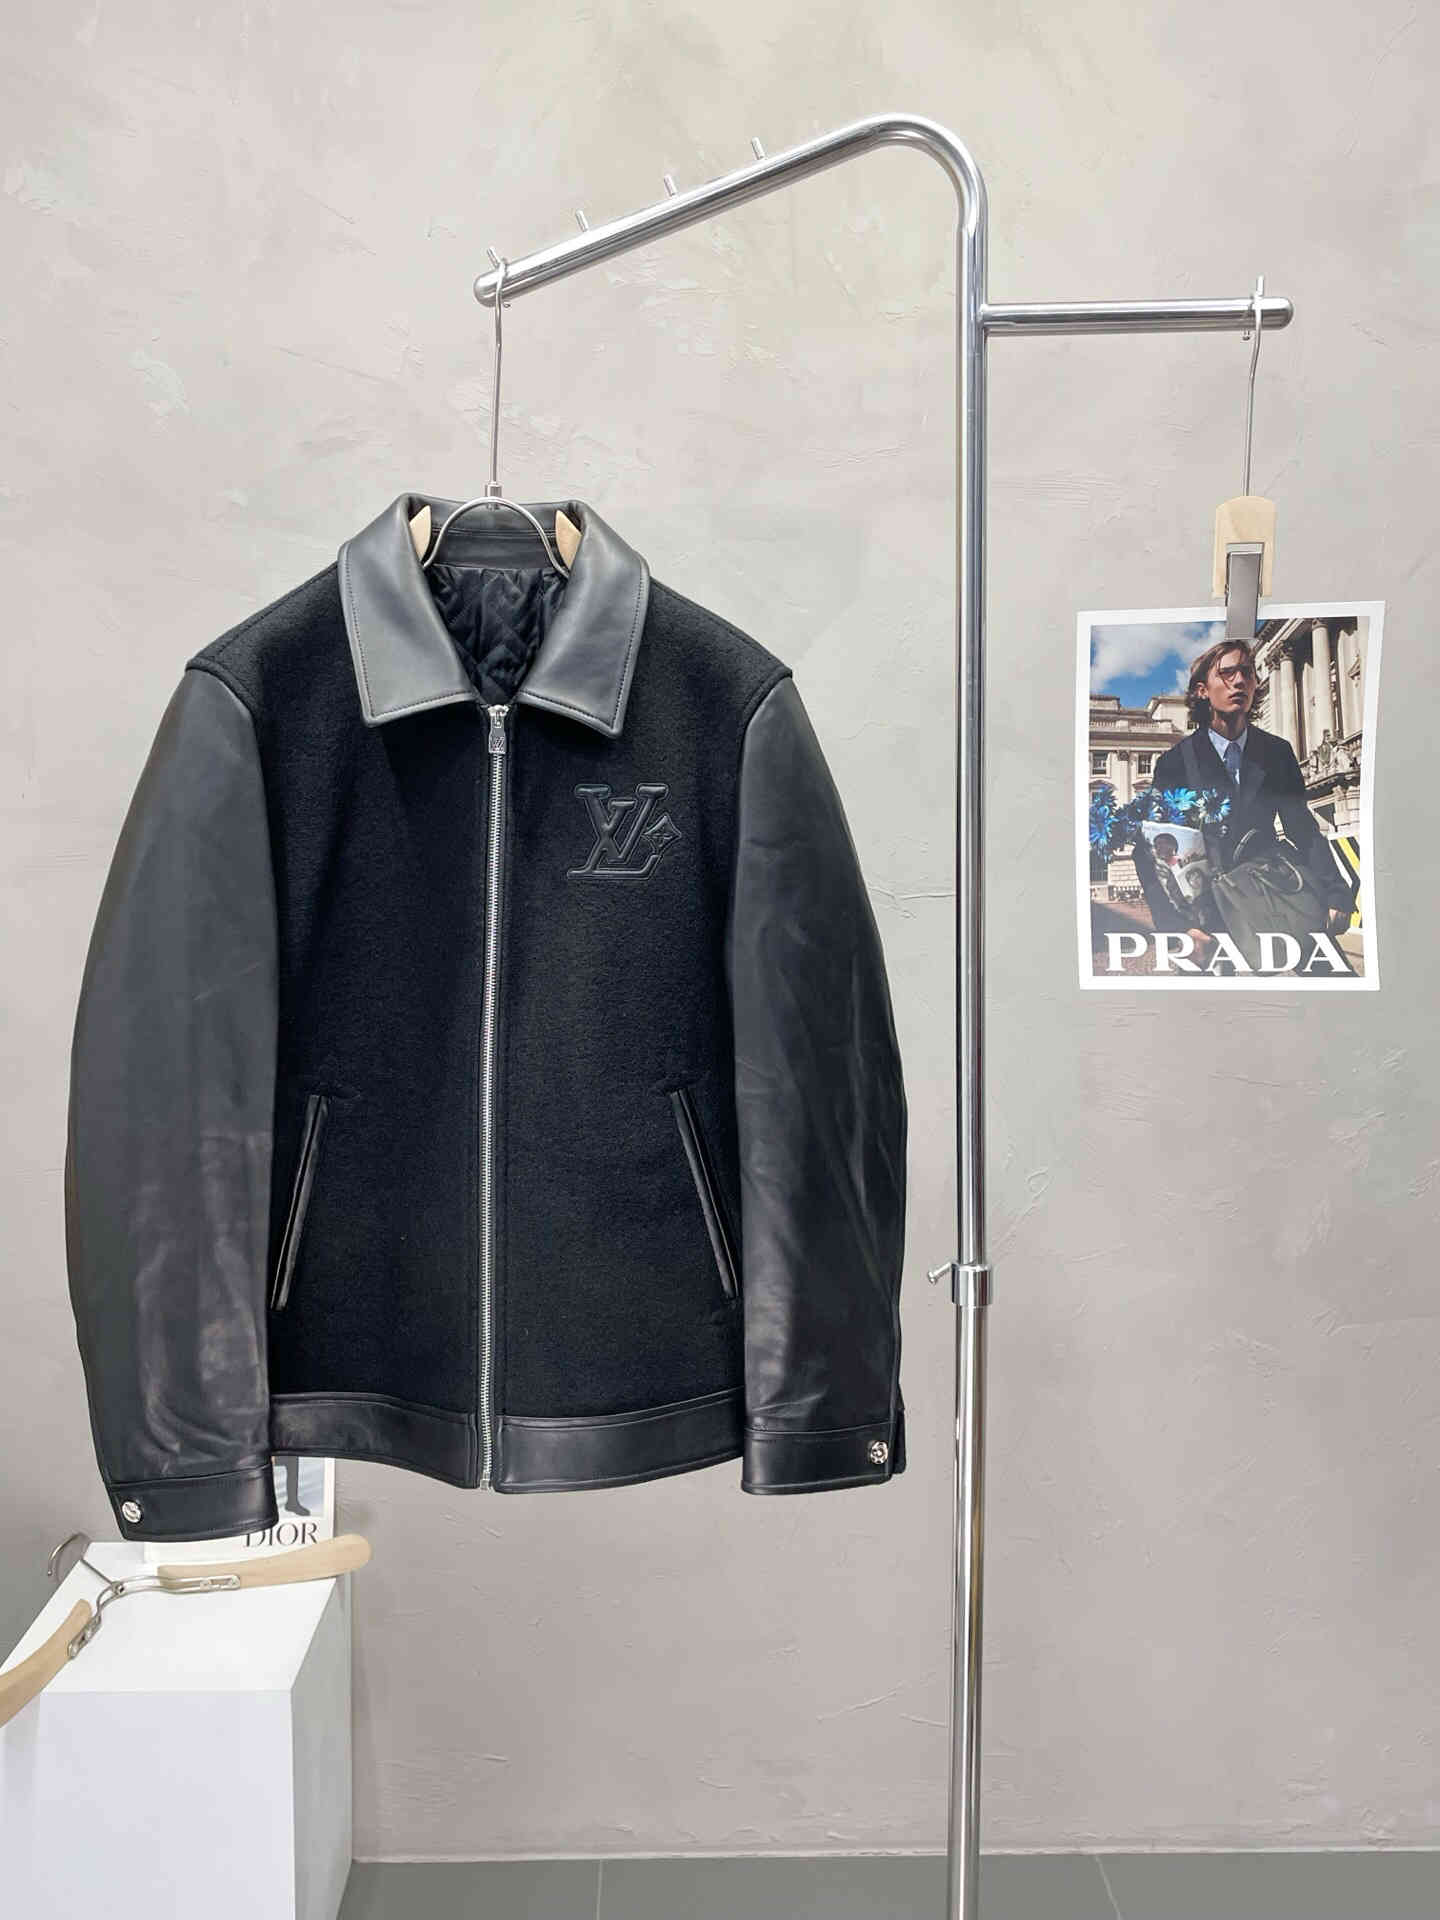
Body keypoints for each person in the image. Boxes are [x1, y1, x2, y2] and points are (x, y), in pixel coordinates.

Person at [1149, 636, 1355, 961]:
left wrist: (1336, 893)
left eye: (1247, 672)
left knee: (1332, 977)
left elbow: (1303, 829)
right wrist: (1178, 927)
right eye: (1227, 673)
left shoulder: (1277, 752)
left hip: (1275, 891)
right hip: (1209, 912)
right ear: (1202, 690)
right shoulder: (1174, 763)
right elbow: (1153, 850)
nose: (1240, 681)